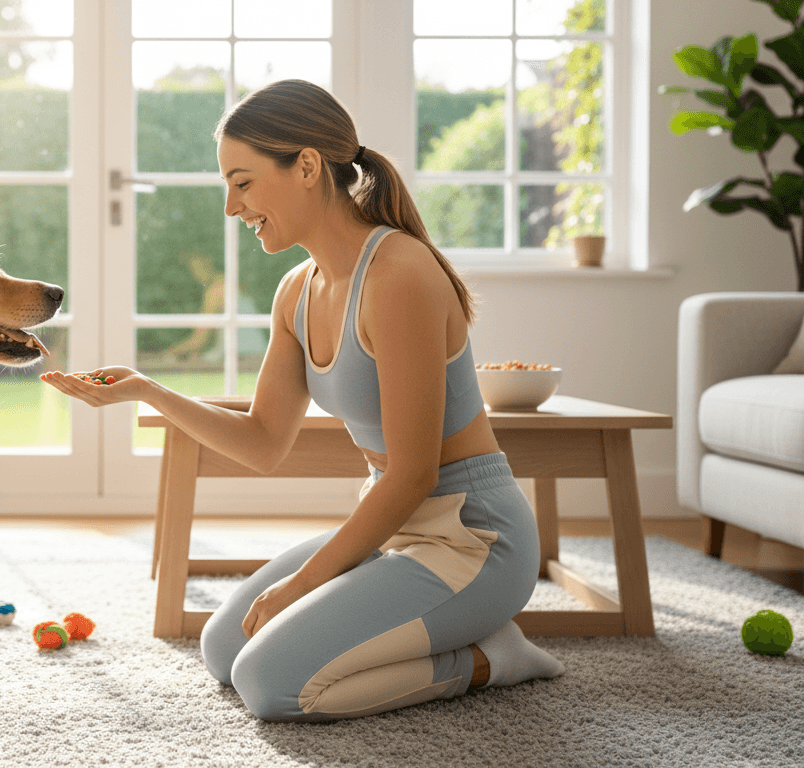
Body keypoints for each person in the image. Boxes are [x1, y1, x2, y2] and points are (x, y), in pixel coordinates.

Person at [40, 79, 563, 722]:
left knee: (271, 682)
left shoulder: (398, 275)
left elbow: (413, 474)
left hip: (473, 542)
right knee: (224, 645)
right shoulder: (297, 290)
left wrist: (304, 583)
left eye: (243, 182)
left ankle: (490, 658)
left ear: (308, 166)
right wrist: (147, 391)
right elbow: (263, 442)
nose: (231, 208)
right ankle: (437, 633)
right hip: (396, 534)